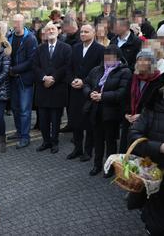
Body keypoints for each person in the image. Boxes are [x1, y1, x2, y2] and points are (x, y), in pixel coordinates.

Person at [83, 45, 132, 176]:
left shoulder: (125, 72)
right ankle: (97, 165)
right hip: (96, 110)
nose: (108, 60)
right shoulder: (97, 69)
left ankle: (109, 167)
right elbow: (86, 83)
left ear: (118, 58)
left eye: (111, 58)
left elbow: (122, 93)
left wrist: (102, 96)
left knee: (110, 141)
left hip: (112, 112)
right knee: (97, 140)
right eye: (106, 58)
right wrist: (90, 93)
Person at [128, 88, 164, 236]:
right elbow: (134, 136)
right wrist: (159, 147)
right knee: (155, 220)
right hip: (152, 169)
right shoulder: (152, 108)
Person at [67, 24, 105, 162]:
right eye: (81, 31)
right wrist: (72, 80)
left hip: (89, 90)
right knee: (75, 121)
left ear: (93, 33)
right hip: (75, 90)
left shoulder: (101, 50)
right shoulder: (75, 48)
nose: (82, 34)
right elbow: (69, 67)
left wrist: (84, 82)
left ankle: (88, 151)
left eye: (86, 32)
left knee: (89, 123)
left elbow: (101, 72)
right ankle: (77, 149)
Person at [32, 23, 72, 154]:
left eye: (53, 29)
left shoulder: (66, 48)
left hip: (58, 89)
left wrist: (53, 78)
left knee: (56, 119)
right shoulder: (39, 49)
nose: (50, 31)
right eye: (48, 29)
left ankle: (55, 142)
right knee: (43, 119)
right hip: (42, 89)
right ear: (44, 32)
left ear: (58, 31)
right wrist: (44, 77)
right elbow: (35, 66)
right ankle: (46, 141)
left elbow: (66, 67)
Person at [121, 50, 164, 156]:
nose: (141, 62)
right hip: (129, 119)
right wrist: (127, 113)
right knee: (126, 147)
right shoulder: (134, 77)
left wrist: (141, 116)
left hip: (147, 123)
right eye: (139, 60)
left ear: (152, 63)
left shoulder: (158, 80)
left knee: (141, 153)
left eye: (145, 60)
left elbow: (156, 104)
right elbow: (125, 97)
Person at [7, 14, 38, 149]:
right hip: (12, 78)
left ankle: (25, 137)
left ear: (23, 23)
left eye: (19, 22)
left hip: (24, 79)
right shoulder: (9, 37)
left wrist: (14, 69)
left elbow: (32, 61)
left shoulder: (30, 38)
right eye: (14, 22)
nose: (16, 25)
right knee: (15, 108)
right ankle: (19, 132)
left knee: (25, 110)